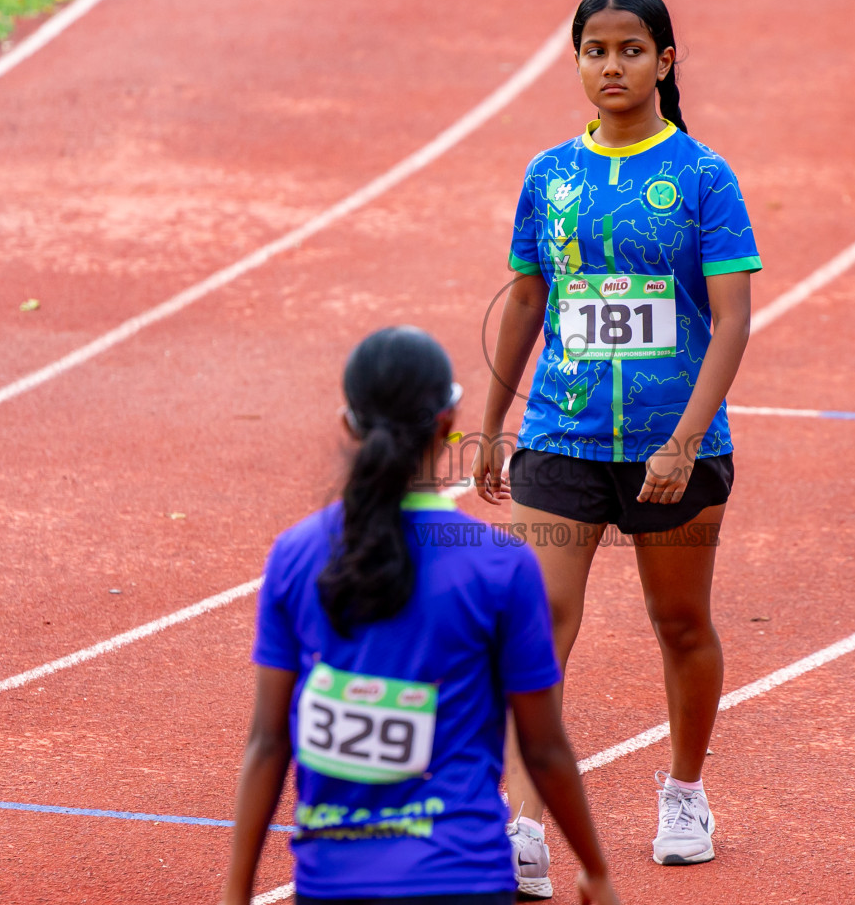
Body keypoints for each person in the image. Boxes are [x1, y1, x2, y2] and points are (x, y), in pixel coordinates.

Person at [474, 0, 761, 897]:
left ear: (665, 62)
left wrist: (683, 442)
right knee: (538, 626)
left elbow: (733, 319)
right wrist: (492, 420)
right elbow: (526, 297)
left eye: (630, 50)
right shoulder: (548, 175)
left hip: (673, 449)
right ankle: (523, 823)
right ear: (577, 61)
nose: (611, 66)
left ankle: (685, 793)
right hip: (562, 437)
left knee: (679, 624)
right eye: (595, 50)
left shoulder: (705, 178)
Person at [223, 327, 619, 905]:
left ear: (348, 425)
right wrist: (596, 870)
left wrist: (236, 892)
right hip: (462, 878)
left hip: (332, 883)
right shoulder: (500, 565)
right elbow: (543, 748)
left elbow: (267, 741)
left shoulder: (296, 554)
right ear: (447, 420)